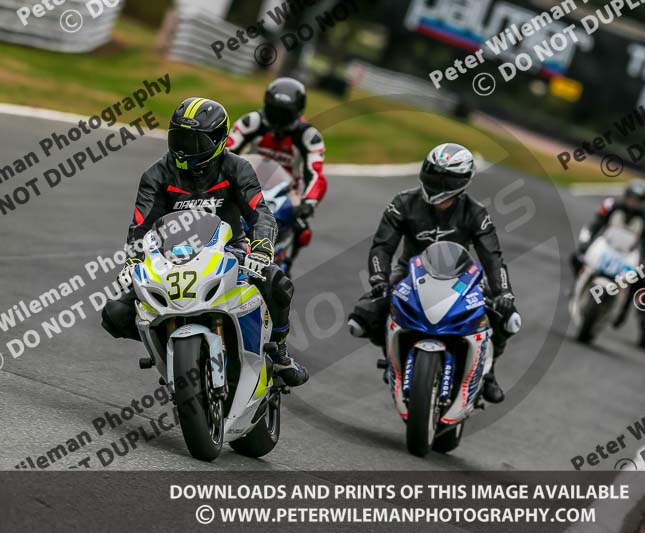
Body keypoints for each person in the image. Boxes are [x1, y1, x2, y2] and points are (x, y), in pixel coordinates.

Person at [101, 97, 308, 387]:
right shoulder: (156, 175)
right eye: (179, 137)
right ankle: (165, 342)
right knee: (115, 314)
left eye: (194, 141)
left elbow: (261, 212)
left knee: (277, 283)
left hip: (230, 251)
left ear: (217, 140)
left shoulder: (238, 168)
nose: (184, 148)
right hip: (172, 258)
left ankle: (280, 350)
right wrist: (134, 261)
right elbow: (140, 225)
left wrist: (261, 248)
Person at [348, 143, 517, 404]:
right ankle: (394, 355)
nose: (437, 183)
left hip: (462, 277)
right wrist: (379, 279)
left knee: (506, 317)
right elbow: (382, 246)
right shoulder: (403, 202)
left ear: (462, 181)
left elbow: (492, 258)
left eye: (446, 178)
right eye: (433, 174)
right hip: (409, 272)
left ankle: (489, 373)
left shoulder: (476, 213)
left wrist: (503, 292)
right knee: (362, 319)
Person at [226, 78, 326, 270]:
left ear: (297, 112)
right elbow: (226, 150)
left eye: (284, 114)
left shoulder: (309, 136)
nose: (278, 119)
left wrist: (309, 203)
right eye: (274, 111)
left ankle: (286, 262)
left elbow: (316, 174)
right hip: (247, 183)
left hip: (287, 193)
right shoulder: (252, 122)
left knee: (303, 230)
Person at [572, 180, 645, 328]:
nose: (633, 203)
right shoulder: (612, 207)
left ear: (644, 203)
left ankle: (622, 313)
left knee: (638, 280)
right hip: (605, 245)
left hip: (628, 254)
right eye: (631, 198)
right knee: (576, 258)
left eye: (637, 201)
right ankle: (574, 286)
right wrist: (585, 245)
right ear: (626, 196)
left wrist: (644, 263)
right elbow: (595, 225)